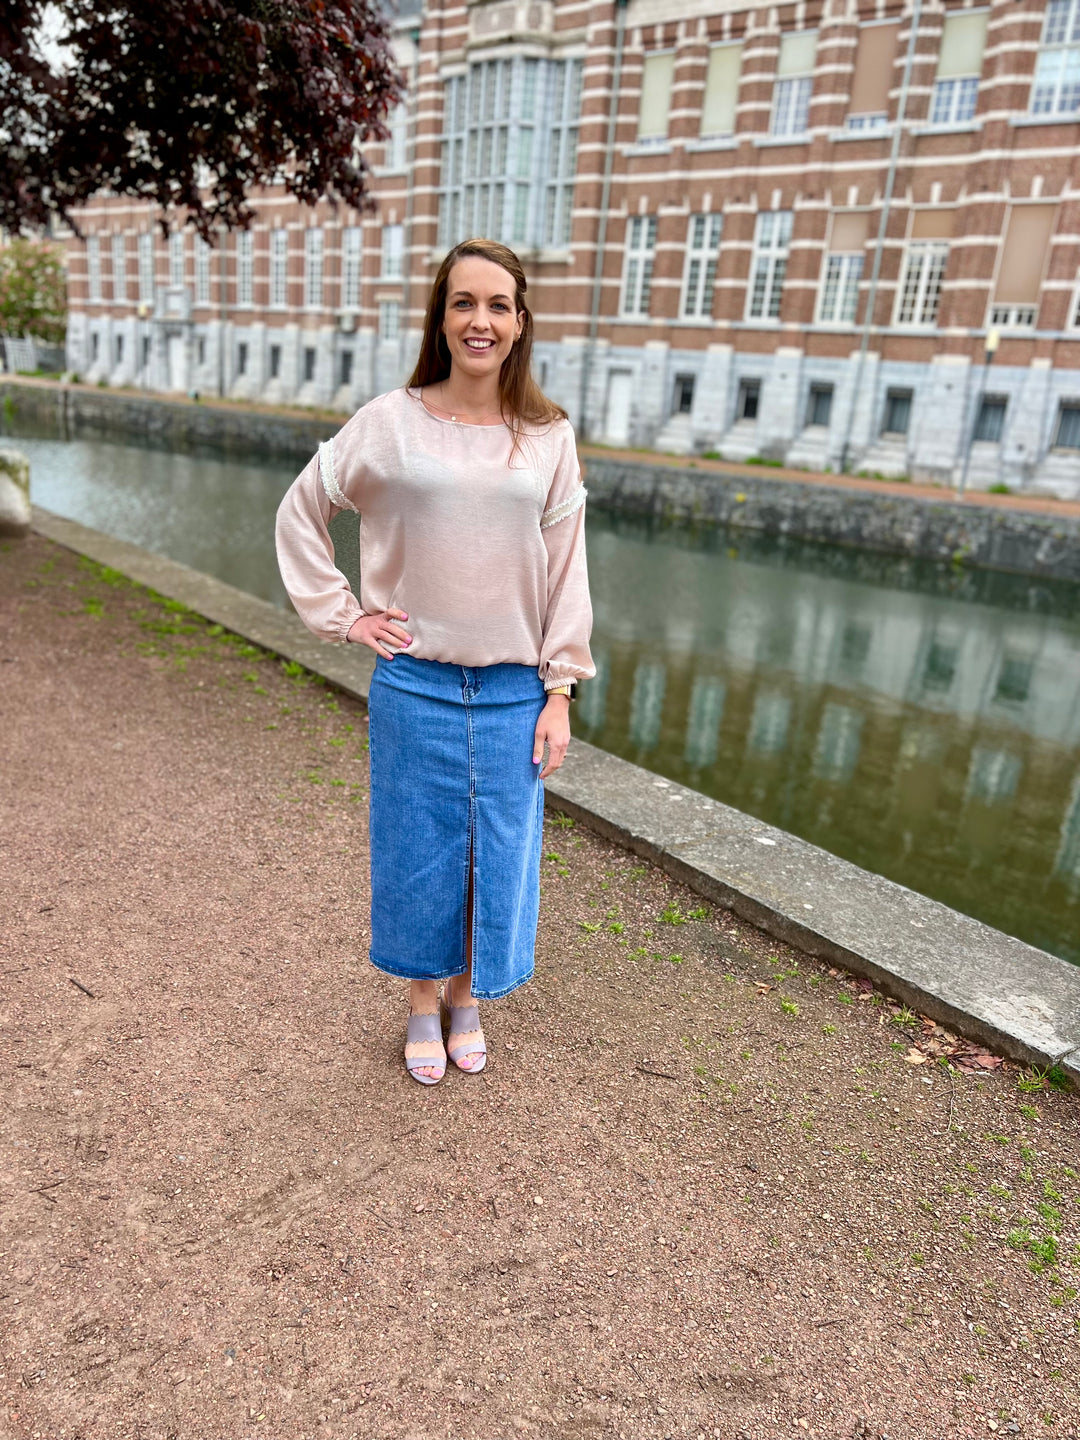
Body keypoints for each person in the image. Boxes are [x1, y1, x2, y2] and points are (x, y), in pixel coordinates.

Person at [275, 237, 594, 1085]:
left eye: (497, 305)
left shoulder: (548, 437)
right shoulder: (391, 422)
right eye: (463, 303)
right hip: (416, 681)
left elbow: (568, 571)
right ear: (441, 317)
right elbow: (303, 509)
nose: (479, 321)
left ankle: (467, 997)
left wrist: (558, 690)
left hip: (511, 691)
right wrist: (346, 617)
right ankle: (423, 1005)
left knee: (496, 854)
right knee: (418, 850)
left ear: (521, 323)